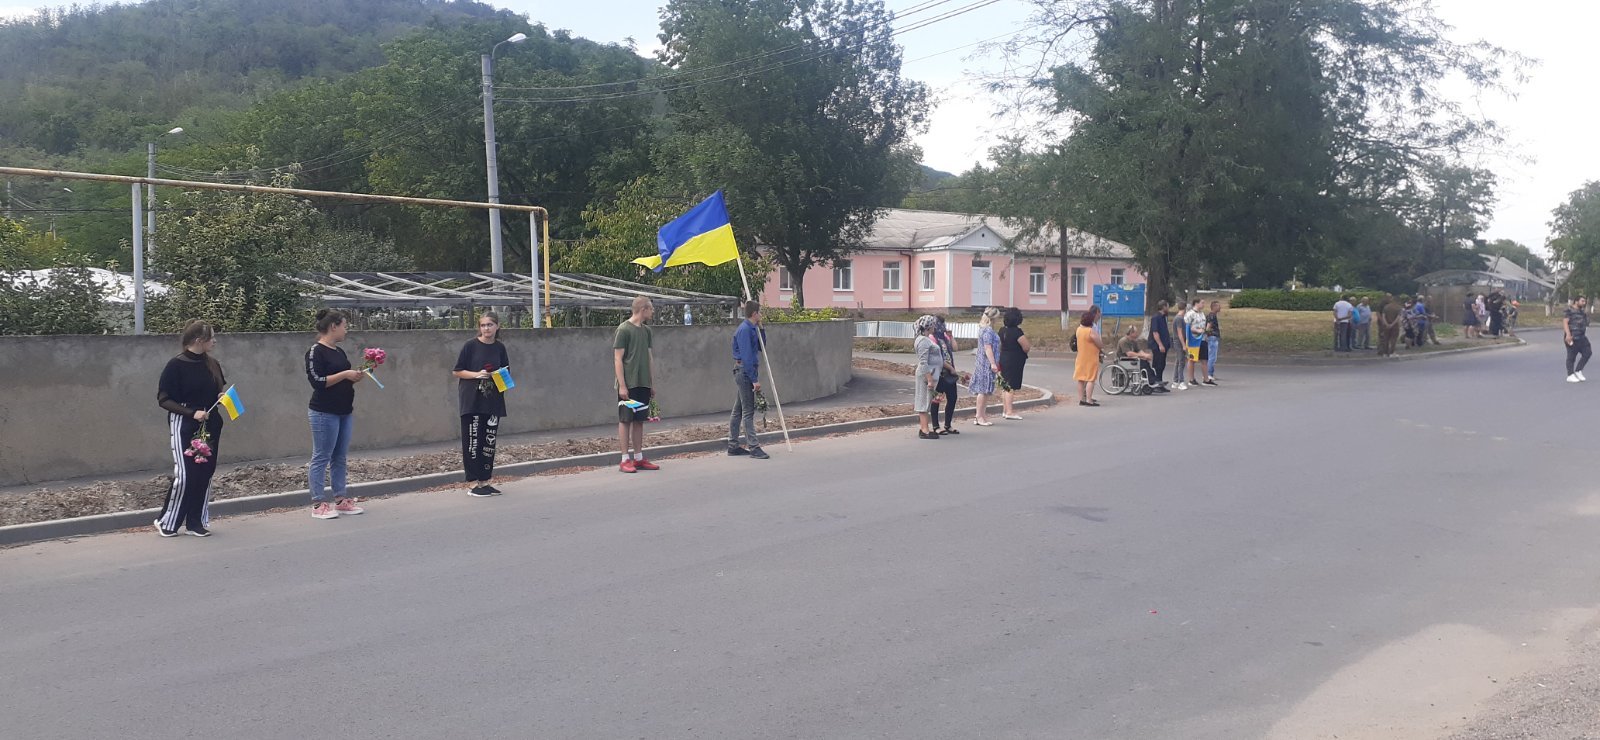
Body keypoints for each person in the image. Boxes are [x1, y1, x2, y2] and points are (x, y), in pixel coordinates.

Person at [154, 319, 228, 537]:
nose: (214, 341)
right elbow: (164, 399)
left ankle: (195, 522)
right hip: (185, 423)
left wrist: (221, 397)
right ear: (199, 340)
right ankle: (167, 521)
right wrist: (190, 413)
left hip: (210, 423)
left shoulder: (212, 364)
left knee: (205, 472)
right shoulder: (175, 365)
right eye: (211, 337)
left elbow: (216, 390)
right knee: (186, 474)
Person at [305, 309, 366, 520]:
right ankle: (318, 503)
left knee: (339, 456)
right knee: (321, 456)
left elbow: (343, 378)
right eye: (344, 326)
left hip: (344, 411)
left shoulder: (339, 351)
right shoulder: (315, 351)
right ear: (333, 326)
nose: (346, 330)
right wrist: (345, 374)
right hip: (324, 412)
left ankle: (340, 499)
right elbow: (317, 381)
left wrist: (354, 376)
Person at [452, 311, 511, 496]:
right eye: (483, 325)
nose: (486, 328)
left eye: (490, 325)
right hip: (472, 401)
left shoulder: (500, 347)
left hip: (492, 401)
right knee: (472, 441)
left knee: (488, 443)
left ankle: (484, 481)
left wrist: (499, 376)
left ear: (497, 326)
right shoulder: (470, 346)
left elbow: (506, 372)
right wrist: (477, 374)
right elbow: (457, 371)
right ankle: (472, 483)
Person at [614, 296, 660, 473]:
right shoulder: (623, 330)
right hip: (629, 384)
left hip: (642, 383)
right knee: (626, 420)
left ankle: (638, 458)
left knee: (639, 420)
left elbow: (649, 358)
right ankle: (625, 459)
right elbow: (618, 359)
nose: (652, 311)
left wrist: (651, 383)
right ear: (643, 310)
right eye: (651, 308)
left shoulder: (647, 331)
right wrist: (622, 385)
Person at [728, 300, 770, 459]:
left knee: (738, 410)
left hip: (745, 371)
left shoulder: (752, 328)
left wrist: (762, 328)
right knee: (748, 411)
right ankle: (754, 447)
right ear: (754, 313)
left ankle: (733, 445)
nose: (761, 315)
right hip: (744, 371)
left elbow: (761, 346)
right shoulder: (745, 330)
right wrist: (754, 380)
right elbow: (746, 357)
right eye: (760, 312)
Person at [928, 315, 961, 435]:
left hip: (950, 373)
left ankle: (948, 424)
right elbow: (938, 358)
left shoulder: (945, 337)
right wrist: (950, 368)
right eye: (940, 324)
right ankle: (936, 426)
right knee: (936, 399)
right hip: (939, 373)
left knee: (952, 398)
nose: (942, 327)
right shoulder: (932, 338)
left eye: (943, 324)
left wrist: (951, 337)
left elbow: (955, 348)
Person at [997, 307, 1031, 420]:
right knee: (1011, 386)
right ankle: (1010, 411)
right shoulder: (1017, 332)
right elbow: (1026, 347)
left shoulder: (1002, 330)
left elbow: (999, 345)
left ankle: (1005, 410)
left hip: (1004, 358)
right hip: (1014, 360)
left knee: (1005, 385)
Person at [970, 307, 1001, 426]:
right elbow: (988, 348)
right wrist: (993, 363)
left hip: (984, 362)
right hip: (985, 364)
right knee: (983, 390)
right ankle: (979, 416)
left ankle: (982, 415)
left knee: (986, 391)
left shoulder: (985, 330)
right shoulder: (987, 331)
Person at [913, 315, 943, 439]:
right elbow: (923, 362)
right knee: (923, 402)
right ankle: (924, 430)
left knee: (926, 402)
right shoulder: (923, 341)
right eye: (933, 324)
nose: (934, 327)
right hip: (926, 376)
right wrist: (929, 379)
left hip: (930, 374)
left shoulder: (925, 339)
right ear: (928, 326)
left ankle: (924, 428)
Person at [1074, 306, 1104, 406]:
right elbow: (1100, 344)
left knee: (1081, 379)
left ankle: (1081, 399)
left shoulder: (1079, 330)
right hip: (1090, 358)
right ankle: (1089, 400)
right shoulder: (1090, 331)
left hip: (1080, 357)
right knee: (1091, 379)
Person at [1116, 325, 1155, 395]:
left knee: (1145, 361)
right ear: (1131, 333)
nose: (1137, 334)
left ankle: (1151, 380)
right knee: (1143, 363)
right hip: (1124, 360)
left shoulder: (1134, 341)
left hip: (1131, 359)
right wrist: (1143, 356)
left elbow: (1139, 351)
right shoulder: (1123, 341)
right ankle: (1151, 380)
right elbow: (1129, 354)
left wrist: (1146, 355)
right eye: (1136, 332)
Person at [1146, 301, 1172, 392]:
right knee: (1158, 364)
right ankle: (1156, 384)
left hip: (1164, 344)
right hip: (1157, 345)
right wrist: (1160, 344)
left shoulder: (1163, 317)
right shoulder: (1156, 317)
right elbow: (1155, 332)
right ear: (1163, 307)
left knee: (1162, 364)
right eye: (1167, 306)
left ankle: (1160, 383)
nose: (1168, 309)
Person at [1565, 296, 1591, 383]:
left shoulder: (1582, 311)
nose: (1584, 303)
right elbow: (1565, 322)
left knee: (1587, 352)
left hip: (1581, 337)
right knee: (1571, 356)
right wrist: (1568, 334)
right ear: (1576, 301)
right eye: (1582, 301)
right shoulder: (1569, 310)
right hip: (1572, 336)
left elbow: (1586, 322)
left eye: (1585, 301)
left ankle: (1578, 370)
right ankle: (1570, 375)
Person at [1185, 301, 1207, 384]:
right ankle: (1191, 379)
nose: (1203, 304)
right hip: (1193, 340)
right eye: (1202, 303)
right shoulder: (1190, 314)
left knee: (1204, 359)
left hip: (1202, 339)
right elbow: (1187, 327)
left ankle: (1206, 379)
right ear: (1196, 303)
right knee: (1192, 359)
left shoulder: (1202, 314)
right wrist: (1197, 330)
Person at [1170, 300, 1190, 389]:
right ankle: (1181, 381)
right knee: (1181, 361)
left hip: (1179, 341)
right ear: (1185, 308)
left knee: (1178, 360)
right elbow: (1179, 333)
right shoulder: (1179, 319)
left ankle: (1175, 381)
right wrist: (1183, 345)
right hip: (1179, 342)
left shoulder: (1180, 318)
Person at [1377, 293, 1402, 358]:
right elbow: (1398, 318)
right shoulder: (1398, 308)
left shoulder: (1386, 307)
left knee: (1386, 339)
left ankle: (1385, 353)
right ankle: (1392, 352)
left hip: (1386, 325)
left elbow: (1383, 316)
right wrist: (1392, 324)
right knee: (1393, 339)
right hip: (1394, 326)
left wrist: (1386, 323)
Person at [1203, 300, 1222, 384]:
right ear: (1214, 307)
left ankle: (1210, 373)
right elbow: (1208, 326)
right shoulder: (1212, 316)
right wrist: (1207, 334)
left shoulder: (1212, 315)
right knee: (1212, 356)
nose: (1220, 307)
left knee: (1212, 356)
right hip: (1212, 337)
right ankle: (1209, 374)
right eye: (1218, 306)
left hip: (1213, 337)